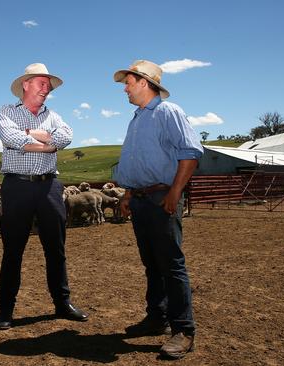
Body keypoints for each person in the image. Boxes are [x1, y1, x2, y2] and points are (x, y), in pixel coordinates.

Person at [113, 60, 203, 359]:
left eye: (128, 82)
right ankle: (156, 317)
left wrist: (174, 192)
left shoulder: (168, 111)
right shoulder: (137, 119)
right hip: (140, 199)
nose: (124, 88)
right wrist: (127, 194)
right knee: (152, 263)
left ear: (144, 82)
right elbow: (134, 161)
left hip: (161, 196)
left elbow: (190, 153)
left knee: (172, 264)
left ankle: (183, 330)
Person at [0, 63, 88, 330]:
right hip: (17, 186)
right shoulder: (7, 112)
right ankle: (6, 310)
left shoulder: (54, 116)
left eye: (48, 85)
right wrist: (44, 142)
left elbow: (66, 136)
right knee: (13, 250)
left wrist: (36, 138)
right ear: (26, 84)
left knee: (56, 249)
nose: (46, 89)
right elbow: (11, 138)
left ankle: (62, 303)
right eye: (41, 83)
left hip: (49, 187)